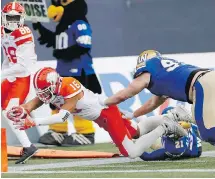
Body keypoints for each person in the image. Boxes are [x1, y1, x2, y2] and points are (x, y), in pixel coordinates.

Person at [6, 67, 187, 159]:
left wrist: (33, 123)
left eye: (45, 91)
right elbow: (34, 102)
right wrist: (22, 110)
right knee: (135, 132)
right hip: (101, 116)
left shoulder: (69, 87)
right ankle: (172, 117)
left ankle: (164, 127)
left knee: (130, 152)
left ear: (54, 85)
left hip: (107, 114)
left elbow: (62, 116)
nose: (43, 96)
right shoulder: (52, 89)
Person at [102, 50, 215, 145]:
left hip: (203, 86)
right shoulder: (164, 74)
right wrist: (133, 114)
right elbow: (153, 103)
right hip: (208, 79)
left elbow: (124, 94)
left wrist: (102, 104)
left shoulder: (148, 68)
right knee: (205, 128)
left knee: (208, 133)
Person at [1, 2, 38, 164]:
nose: (13, 21)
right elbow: (7, 58)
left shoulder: (24, 33)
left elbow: (22, 66)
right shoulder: (2, 31)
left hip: (22, 76)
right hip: (10, 74)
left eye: (16, 17)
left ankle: (28, 146)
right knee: (5, 109)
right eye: (10, 17)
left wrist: (2, 73)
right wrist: (3, 74)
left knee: (11, 111)